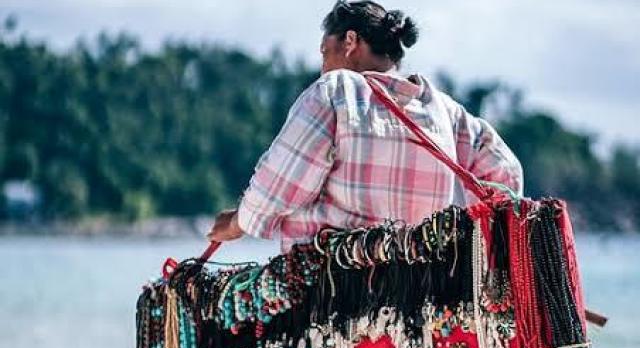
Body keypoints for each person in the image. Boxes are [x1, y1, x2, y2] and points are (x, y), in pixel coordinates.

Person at [207, 0, 523, 253]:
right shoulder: (446, 111)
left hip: (334, 294)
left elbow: (279, 186)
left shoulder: (335, 90)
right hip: (423, 292)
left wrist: (237, 223)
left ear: (350, 41)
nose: (322, 63)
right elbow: (506, 175)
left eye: (323, 50)